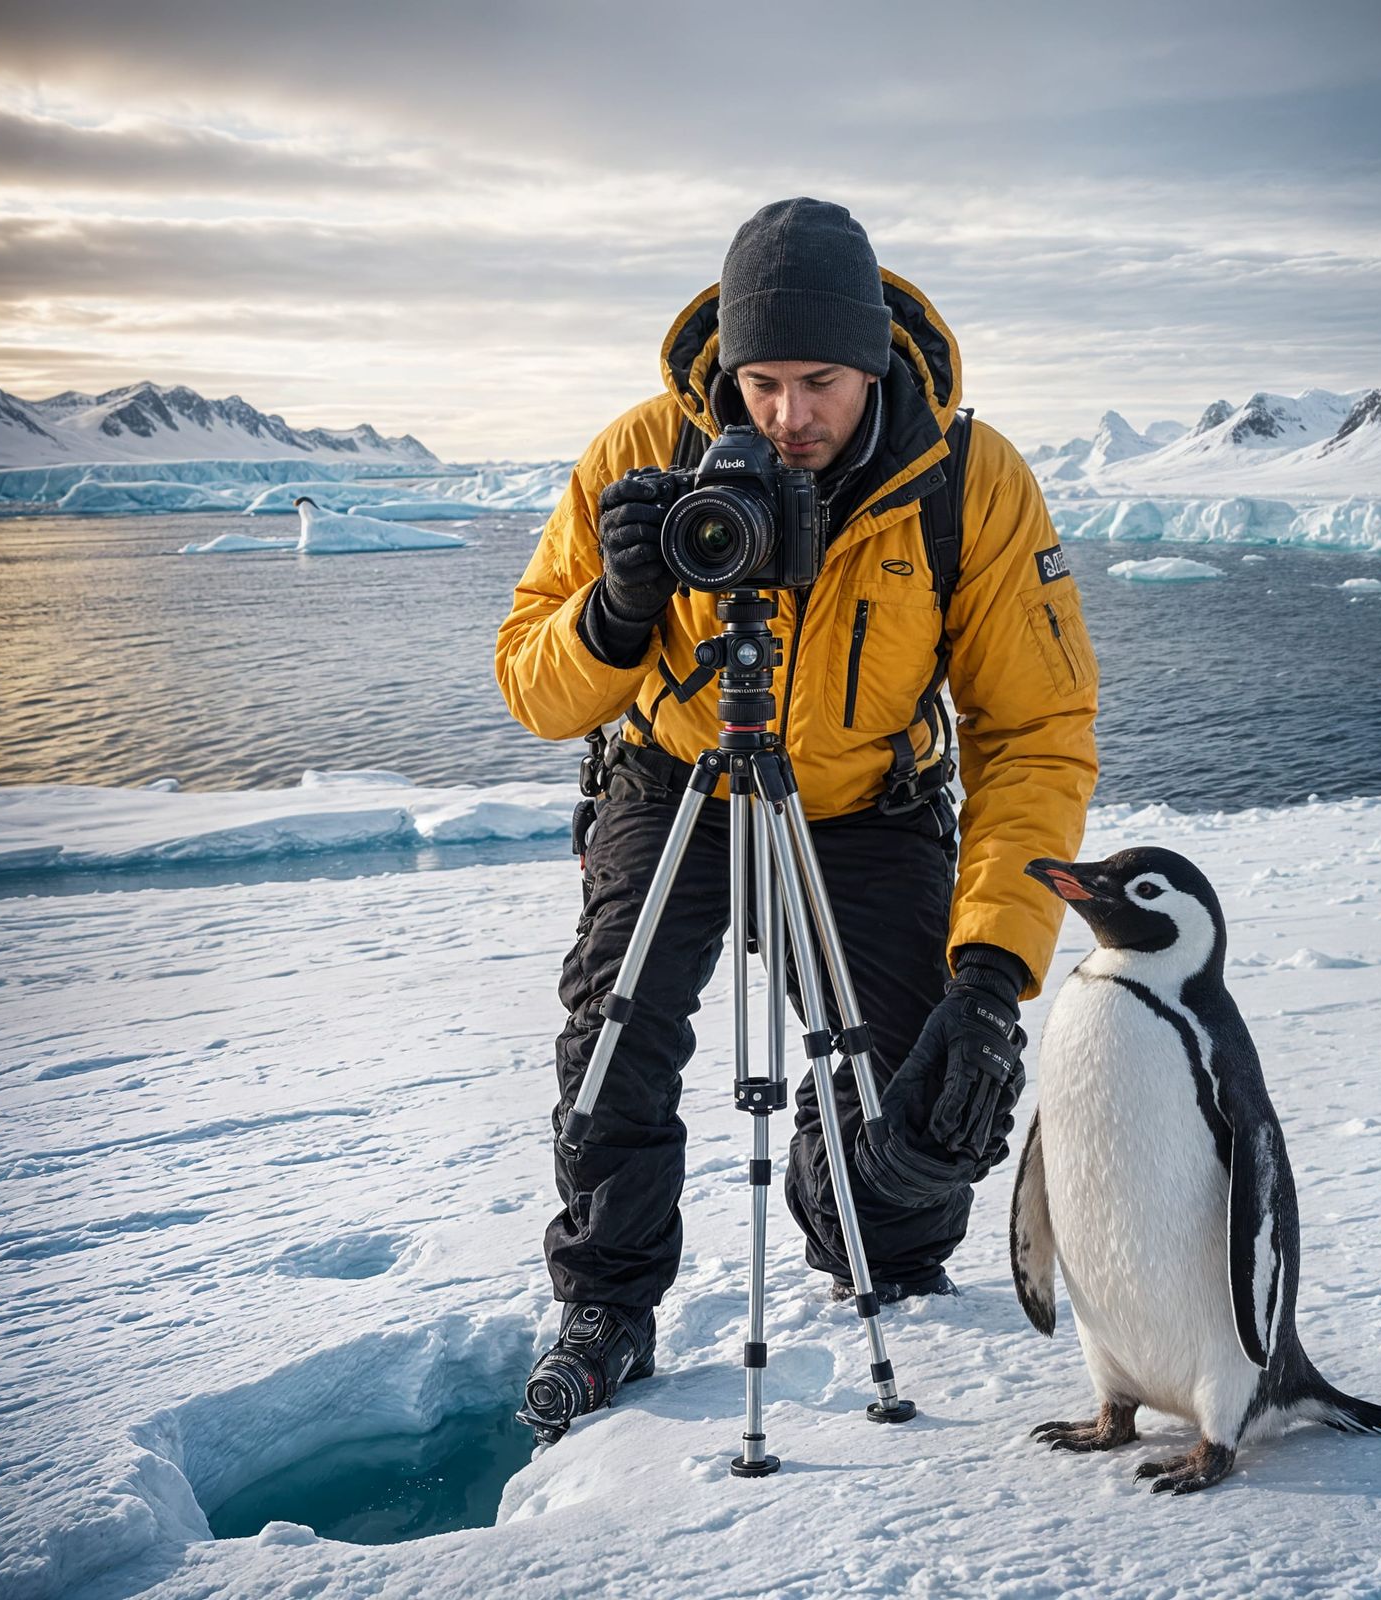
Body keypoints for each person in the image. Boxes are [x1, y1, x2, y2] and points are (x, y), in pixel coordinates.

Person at [495, 197, 1099, 1414]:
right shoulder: (639, 457)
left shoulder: (965, 481)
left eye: (819, 380)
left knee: (926, 1102)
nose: (786, 417)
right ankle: (605, 1306)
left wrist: (992, 973)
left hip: (870, 801)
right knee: (615, 1039)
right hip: (673, 775)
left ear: (873, 356)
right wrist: (614, 611)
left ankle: (869, 1230)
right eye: (760, 382)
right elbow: (530, 683)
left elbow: (1035, 731)